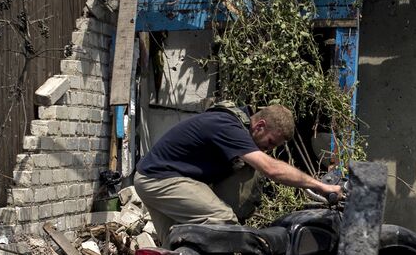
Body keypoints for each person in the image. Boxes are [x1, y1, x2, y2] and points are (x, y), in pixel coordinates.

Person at [133, 102, 343, 242]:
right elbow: (270, 168)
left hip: (153, 177)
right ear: (259, 126)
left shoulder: (233, 126)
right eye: (270, 142)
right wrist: (321, 186)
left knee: (177, 244)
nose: (267, 149)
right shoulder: (228, 127)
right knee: (224, 221)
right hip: (160, 179)